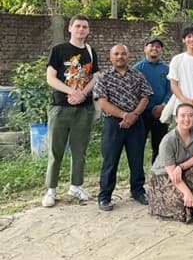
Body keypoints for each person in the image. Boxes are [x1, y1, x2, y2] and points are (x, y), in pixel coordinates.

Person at [42, 15, 100, 207]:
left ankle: (76, 186)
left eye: (85, 26)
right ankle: (51, 190)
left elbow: (96, 76)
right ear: (70, 29)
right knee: (55, 150)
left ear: (88, 30)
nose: (81, 29)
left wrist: (83, 93)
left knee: (80, 150)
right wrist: (71, 92)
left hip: (84, 109)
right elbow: (51, 78)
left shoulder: (91, 52)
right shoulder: (59, 50)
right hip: (60, 107)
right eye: (78, 26)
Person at [94, 44, 153, 211]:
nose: (120, 56)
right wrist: (124, 115)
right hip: (114, 124)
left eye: (123, 54)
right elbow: (103, 102)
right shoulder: (104, 77)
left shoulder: (138, 75)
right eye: (116, 54)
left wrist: (133, 115)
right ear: (111, 57)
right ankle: (105, 196)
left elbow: (146, 96)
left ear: (128, 56)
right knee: (110, 160)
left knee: (137, 159)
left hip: (136, 122)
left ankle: (137, 191)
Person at [148, 103, 193, 223]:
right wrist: (187, 193)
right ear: (176, 118)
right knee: (182, 205)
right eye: (182, 116)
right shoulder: (168, 140)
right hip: (164, 176)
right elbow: (172, 173)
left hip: (182, 170)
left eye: (190, 115)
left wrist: (180, 167)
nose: (186, 119)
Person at [133, 36, 172, 164]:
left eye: (158, 47)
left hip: (161, 113)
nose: (155, 48)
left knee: (160, 146)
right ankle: (139, 176)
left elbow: (171, 89)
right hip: (142, 114)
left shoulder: (167, 69)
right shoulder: (137, 69)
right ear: (145, 49)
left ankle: (158, 173)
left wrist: (163, 106)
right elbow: (134, 92)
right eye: (152, 46)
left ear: (161, 50)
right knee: (138, 145)